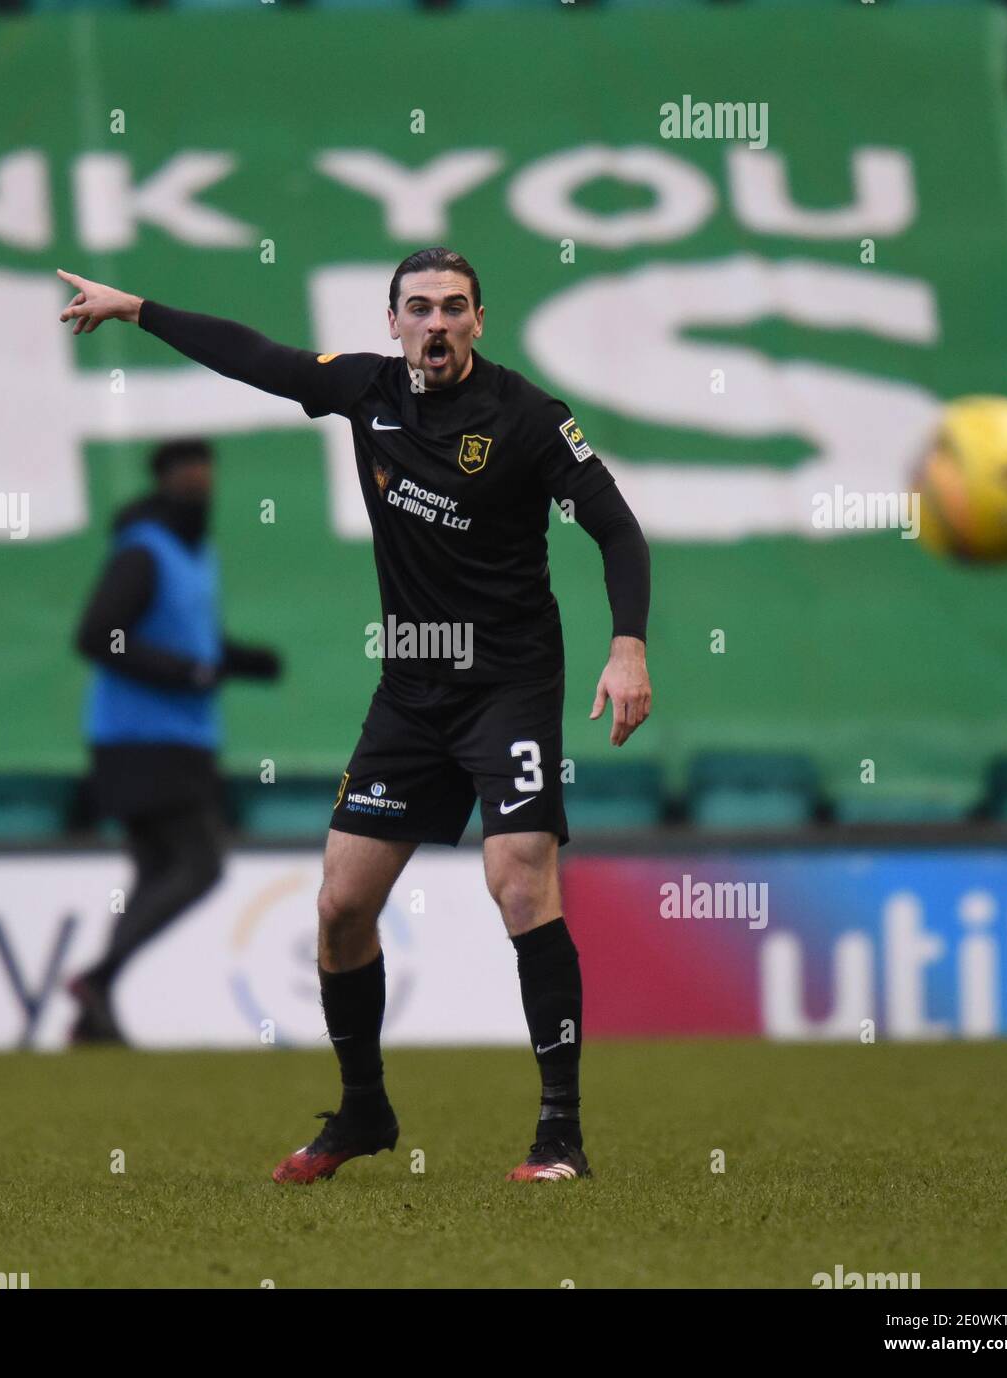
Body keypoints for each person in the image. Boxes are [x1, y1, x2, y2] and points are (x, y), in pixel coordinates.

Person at [56, 247, 651, 1182]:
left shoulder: (530, 418)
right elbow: (256, 357)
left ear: (480, 321)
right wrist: (137, 309)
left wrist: (628, 646)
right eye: (419, 308)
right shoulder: (367, 391)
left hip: (508, 684)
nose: (438, 324)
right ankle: (364, 1114)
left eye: (456, 307)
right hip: (412, 688)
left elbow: (616, 526)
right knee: (339, 906)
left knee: (521, 883)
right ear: (393, 322)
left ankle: (560, 1135)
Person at [68, 438, 281, 1045]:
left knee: (155, 870)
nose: (200, 487)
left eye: (205, 476)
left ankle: (93, 1015)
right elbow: (96, 635)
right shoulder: (142, 552)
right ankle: (100, 977)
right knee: (201, 863)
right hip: (139, 738)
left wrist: (242, 662)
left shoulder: (198, 555)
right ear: (162, 483)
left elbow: (195, 643)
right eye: (188, 477)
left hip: (184, 738)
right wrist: (186, 674)